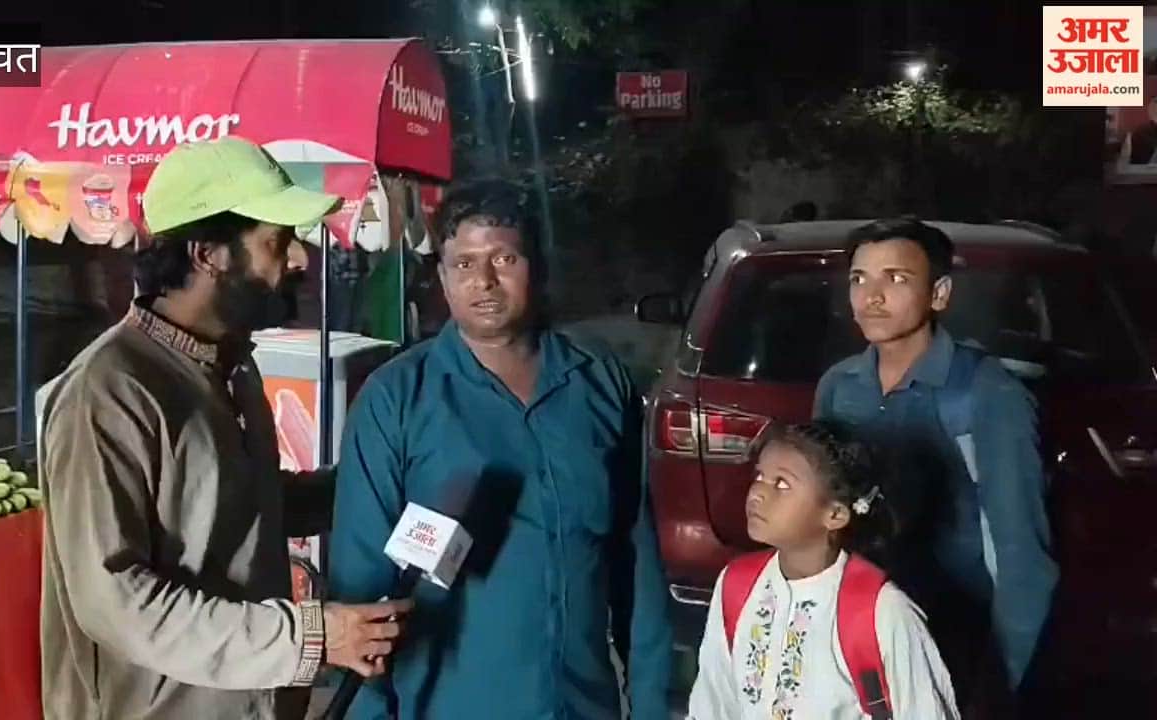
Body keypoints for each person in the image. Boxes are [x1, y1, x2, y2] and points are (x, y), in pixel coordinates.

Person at [38, 136, 411, 720]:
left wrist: (372, 482)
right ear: (207, 253)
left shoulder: (232, 364)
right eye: (275, 242)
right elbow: (115, 600)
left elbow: (241, 504)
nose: (298, 261)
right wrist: (310, 637)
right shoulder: (108, 392)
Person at [327, 179, 672, 719]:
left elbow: (637, 567)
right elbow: (361, 595)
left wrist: (652, 704)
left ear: (536, 264)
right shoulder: (397, 399)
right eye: (463, 264)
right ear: (441, 276)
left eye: (503, 258)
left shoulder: (599, 383)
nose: (483, 281)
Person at [813, 218, 1057, 712]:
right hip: (860, 634)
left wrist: (999, 689)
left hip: (955, 640)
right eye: (859, 279)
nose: (871, 296)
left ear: (940, 293)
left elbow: (1021, 559)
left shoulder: (987, 394)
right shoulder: (839, 387)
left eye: (895, 279)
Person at [687, 421, 958, 719]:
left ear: (835, 514)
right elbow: (713, 701)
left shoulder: (881, 611)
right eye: (760, 476)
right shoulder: (736, 586)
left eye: (782, 484)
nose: (757, 493)